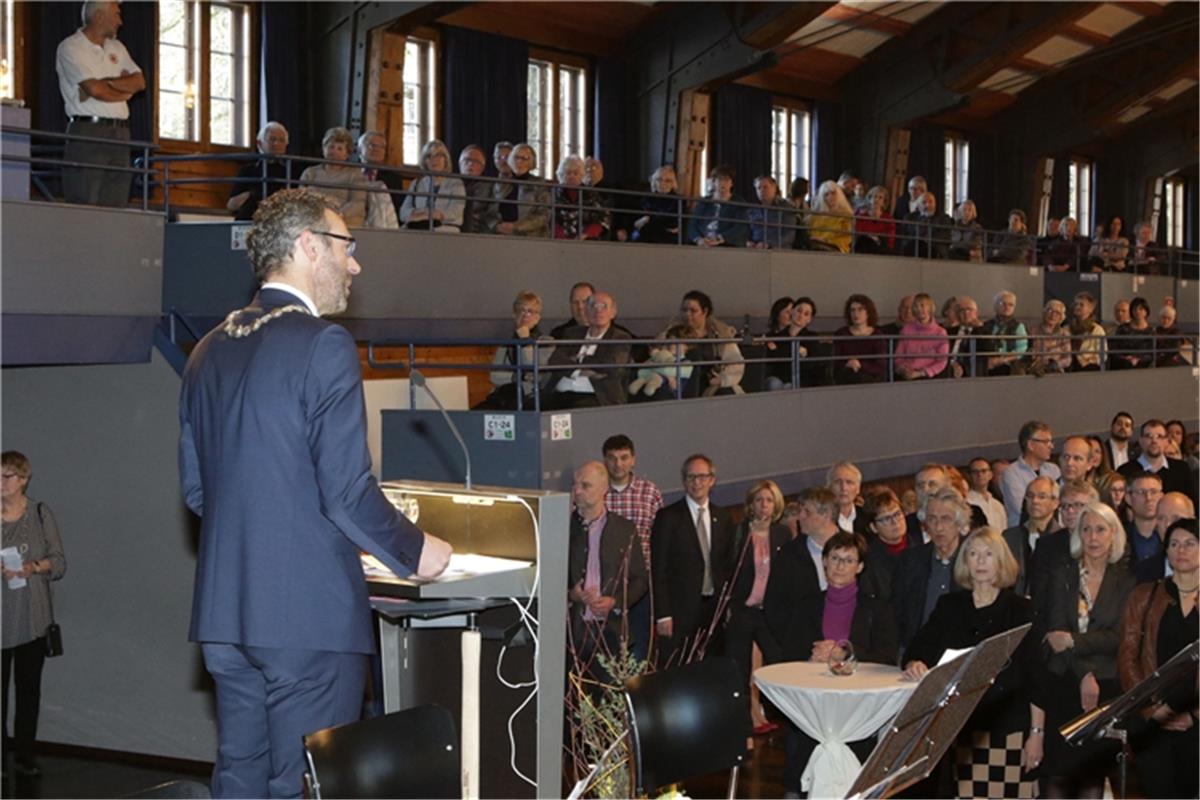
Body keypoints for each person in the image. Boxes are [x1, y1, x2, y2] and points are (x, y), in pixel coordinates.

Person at [178, 188, 453, 798]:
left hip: (226, 617)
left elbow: (199, 493)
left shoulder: (206, 350)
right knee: (305, 786)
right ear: (308, 246)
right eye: (346, 246)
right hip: (308, 619)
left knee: (241, 779)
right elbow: (346, 492)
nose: (354, 264)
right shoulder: (322, 344)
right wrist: (417, 551)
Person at [903, 528, 1043, 799]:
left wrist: (1036, 733)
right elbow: (918, 648)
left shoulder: (1020, 610)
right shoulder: (949, 606)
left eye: (988, 554)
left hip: (1006, 729)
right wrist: (915, 662)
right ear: (964, 561)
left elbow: (1035, 678)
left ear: (1001, 561)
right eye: (973, 554)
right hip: (953, 730)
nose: (980, 561)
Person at [783, 531, 897, 799]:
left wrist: (845, 653)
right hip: (813, 702)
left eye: (847, 560)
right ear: (824, 561)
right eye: (834, 558)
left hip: (857, 708)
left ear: (860, 567)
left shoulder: (878, 609)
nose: (839, 566)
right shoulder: (807, 605)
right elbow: (788, 654)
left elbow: (888, 658)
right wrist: (810, 659)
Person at [1038, 501, 1134, 798]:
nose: (1093, 537)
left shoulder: (1126, 581)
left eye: (1101, 530)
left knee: (1093, 778)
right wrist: (1083, 674)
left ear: (1113, 535)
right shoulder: (1062, 574)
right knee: (1058, 778)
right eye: (1087, 529)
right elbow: (1055, 637)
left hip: (1106, 689)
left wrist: (1077, 641)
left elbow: (1119, 637)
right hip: (1065, 682)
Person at [1117, 519, 1198, 800]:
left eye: (1190, 543)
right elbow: (1128, 656)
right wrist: (1151, 709)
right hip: (1151, 720)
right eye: (1174, 544)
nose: (1181, 550)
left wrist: (1193, 715)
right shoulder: (1144, 594)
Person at [1, 451, 66, 779]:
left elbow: (59, 562)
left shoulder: (40, 513)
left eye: (6, 476)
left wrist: (32, 568)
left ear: (23, 480)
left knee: (28, 690)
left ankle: (24, 756)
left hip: (31, 618)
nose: (0, 483)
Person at [55, 0, 146, 207]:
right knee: (85, 202)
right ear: (99, 16)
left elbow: (139, 82)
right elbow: (94, 90)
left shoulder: (118, 47)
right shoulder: (71, 47)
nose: (120, 21)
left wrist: (107, 83)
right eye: (116, 14)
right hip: (88, 132)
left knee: (116, 204)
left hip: (121, 135)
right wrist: (122, 90)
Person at [651, 454, 736, 667]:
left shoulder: (723, 517)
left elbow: (728, 565)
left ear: (712, 480)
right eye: (691, 477)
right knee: (677, 670)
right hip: (678, 613)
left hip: (713, 610)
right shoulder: (668, 517)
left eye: (702, 477)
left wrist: (727, 606)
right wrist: (662, 615)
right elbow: (658, 569)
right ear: (684, 481)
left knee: (710, 669)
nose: (696, 483)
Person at [567, 461, 647, 680]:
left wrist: (616, 602)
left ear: (604, 489)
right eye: (575, 486)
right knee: (572, 701)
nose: (577, 491)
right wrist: (572, 593)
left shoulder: (624, 530)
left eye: (585, 485)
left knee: (609, 701)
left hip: (611, 632)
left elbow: (640, 580)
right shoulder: (563, 528)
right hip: (572, 632)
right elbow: (547, 579)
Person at [724, 480, 789, 733]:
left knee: (778, 661)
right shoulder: (738, 532)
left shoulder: (783, 533)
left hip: (770, 612)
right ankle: (743, 729)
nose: (764, 505)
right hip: (742, 610)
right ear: (751, 504)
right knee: (739, 670)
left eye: (769, 500)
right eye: (759, 500)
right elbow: (726, 570)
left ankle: (782, 718)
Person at [895, 487, 971, 653]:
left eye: (946, 519)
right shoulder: (910, 560)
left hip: (960, 651)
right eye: (932, 519)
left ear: (959, 523)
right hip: (917, 652)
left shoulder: (973, 561)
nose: (938, 527)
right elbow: (899, 613)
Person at [544, 291, 632, 408]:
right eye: (593, 306)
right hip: (560, 393)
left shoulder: (620, 337)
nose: (598, 310)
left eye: (603, 306)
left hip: (597, 396)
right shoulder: (572, 333)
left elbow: (612, 365)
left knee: (575, 409)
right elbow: (555, 361)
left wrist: (579, 359)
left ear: (613, 312)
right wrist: (579, 371)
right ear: (586, 311)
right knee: (526, 406)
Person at [476, 290, 552, 410]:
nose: (525, 315)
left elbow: (535, 372)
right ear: (514, 315)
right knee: (478, 412)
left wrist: (525, 340)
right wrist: (516, 377)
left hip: (530, 397)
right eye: (521, 310)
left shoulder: (546, 342)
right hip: (505, 395)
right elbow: (494, 375)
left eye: (530, 312)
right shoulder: (506, 344)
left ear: (537, 318)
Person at [668, 290, 745, 396]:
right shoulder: (673, 333)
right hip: (682, 385)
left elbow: (736, 363)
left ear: (705, 311)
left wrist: (722, 380)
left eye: (693, 311)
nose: (687, 314)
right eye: (684, 310)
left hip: (710, 385)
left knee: (726, 394)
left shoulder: (720, 334)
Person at [300, 127, 369, 227]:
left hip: (345, 222)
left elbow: (358, 204)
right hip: (314, 220)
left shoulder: (355, 174)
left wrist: (335, 216)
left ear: (347, 154)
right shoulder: (310, 172)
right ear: (324, 149)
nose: (334, 152)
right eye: (331, 147)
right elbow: (301, 198)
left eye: (340, 149)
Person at [1001, 420, 1061, 527]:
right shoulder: (1012, 473)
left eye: (1051, 442)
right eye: (1046, 442)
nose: (1051, 446)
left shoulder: (1054, 470)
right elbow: (1022, 507)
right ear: (1031, 445)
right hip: (1022, 532)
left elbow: (1059, 501)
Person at [398, 139, 464, 232]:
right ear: (425, 161)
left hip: (445, 228)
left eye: (438, 155)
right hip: (419, 226)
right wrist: (424, 214)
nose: (434, 159)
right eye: (429, 156)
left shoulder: (456, 183)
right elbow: (403, 212)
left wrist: (436, 215)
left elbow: (456, 211)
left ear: (445, 159)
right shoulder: (416, 183)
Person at [228, 122, 290, 221]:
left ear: (286, 146)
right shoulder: (248, 170)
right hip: (250, 220)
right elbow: (232, 205)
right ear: (260, 143)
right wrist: (252, 194)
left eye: (282, 140)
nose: (276, 144)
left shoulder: (290, 172)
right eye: (272, 139)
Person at [1119, 419, 1194, 499]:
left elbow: (1193, 503)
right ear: (1141, 441)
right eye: (1149, 436)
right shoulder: (1125, 471)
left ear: (1166, 441)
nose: (1154, 441)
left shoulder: (1182, 468)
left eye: (1159, 436)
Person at [496, 143, 551, 237]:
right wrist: (497, 226)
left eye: (525, 158)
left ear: (531, 162)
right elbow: (491, 209)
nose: (519, 161)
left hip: (530, 236)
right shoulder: (501, 183)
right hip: (501, 234)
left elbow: (544, 214)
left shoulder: (539, 184)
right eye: (516, 157)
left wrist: (517, 226)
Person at [833, 294, 888, 384]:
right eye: (852, 310)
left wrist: (860, 364)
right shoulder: (841, 334)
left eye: (860, 309)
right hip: (846, 377)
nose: (856, 313)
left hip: (870, 379)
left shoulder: (878, 335)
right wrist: (848, 363)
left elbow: (880, 366)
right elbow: (834, 362)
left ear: (868, 313)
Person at [892, 292, 948, 380]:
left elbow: (942, 362)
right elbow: (899, 356)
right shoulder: (906, 329)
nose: (919, 309)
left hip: (929, 376)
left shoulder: (940, 332)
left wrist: (921, 373)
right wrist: (903, 369)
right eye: (916, 306)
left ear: (930, 308)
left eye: (922, 305)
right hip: (907, 374)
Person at [688, 165, 747, 247]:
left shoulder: (739, 202)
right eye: (719, 180)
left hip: (727, 245)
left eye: (726, 180)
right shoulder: (704, 202)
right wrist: (698, 239)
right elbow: (692, 224)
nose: (722, 183)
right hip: (703, 244)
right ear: (713, 181)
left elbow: (741, 227)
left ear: (731, 183)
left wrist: (720, 238)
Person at [552, 155, 607, 240]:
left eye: (575, 173)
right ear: (562, 175)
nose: (572, 176)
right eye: (568, 173)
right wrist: (563, 238)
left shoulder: (591, 194)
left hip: (587, 241)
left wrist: (586, 234)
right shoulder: (554, 193)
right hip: (559, 241)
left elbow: (602, 219)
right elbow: (550, 219)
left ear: (582, 175)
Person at [356, 130, 405, 224]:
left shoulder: (393, 178)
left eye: (382, 147)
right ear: (359, 148)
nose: (377, 150)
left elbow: (396, 208)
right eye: (372, 145)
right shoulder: (350, 172)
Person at [977, 290, 1028, 376]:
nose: (1007, 307)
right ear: (995, 306)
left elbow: (1021, 350)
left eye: (1010, 305)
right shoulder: (986, 325)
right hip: (988, 365)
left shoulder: (1019, 326)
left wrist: (1002, 360)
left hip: (1009, 365)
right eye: (1003, 303)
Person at [631, 165, 683, 244]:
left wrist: (647, 219)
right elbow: (635, 219)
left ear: (673, 183)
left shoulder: (678, 200)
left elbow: (671, 223)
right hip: (642, 236)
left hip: (665, 238)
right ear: (654, 181)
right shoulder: (646, 197)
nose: (663, 183)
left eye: (667, 180)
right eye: (659, 179)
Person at [457, 144, 499, 234]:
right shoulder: (451, 183)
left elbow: (493, 214)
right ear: (460, 163)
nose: (471, 164)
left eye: (476, 161)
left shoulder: (490, 187)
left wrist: (480, 217)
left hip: (479, 232)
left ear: (483, 167)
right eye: (467, 160)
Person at [746, 175, 793, 249]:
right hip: (754, 249)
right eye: (758, 188)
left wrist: (769, 245)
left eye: (765, 187)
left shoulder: (786, 208)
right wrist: (747, 242)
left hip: (779, 250)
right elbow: (746, 232)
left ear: (774, 188)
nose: (761, 190)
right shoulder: (752, 211)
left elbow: (789, 235)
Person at [807, 180, 854, 253]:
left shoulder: (846, 215)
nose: (830, 197)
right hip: (817, 246)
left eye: (833, 193)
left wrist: (826, 241)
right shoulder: (816, 216)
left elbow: (846, 238)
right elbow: (812, 234)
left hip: (837, 248)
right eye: (826, 194)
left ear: (838, 195)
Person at [902, 191, 951, 259]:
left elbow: (945, 235)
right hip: (914, 248)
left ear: (935, 204)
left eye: (930, 202)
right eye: (924, 202)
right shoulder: (910, 217)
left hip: (934, 248)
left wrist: (926, 239)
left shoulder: (944, 218)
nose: (927, 205)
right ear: (918, 205)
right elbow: (905, 234)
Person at [1028, 299, 1071, 374]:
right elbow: (1028, 352)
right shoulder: (1032, 330)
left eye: (1057, 313)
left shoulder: (1064, 333)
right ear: (1044, 312)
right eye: (1050, 310)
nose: (1053, 315)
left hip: (1055, 370)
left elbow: (1068, 359)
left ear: (1061, 317)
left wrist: (1056, 364)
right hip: (1036, 370)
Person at [1065, 292, 1106, 371]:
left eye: (1081, 305)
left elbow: (1102, 355)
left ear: (1090, 309)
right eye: (1076, 304)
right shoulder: (1067, 328)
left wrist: (1087, 361)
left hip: (1089, 366)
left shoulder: (1097, 329)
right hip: (1069, 364)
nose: (1077, 307)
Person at [1110, 296, 1154, 369]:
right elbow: (1115, 349)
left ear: (1146, 312)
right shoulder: (1123, 329)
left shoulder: (1151, 331)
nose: (1137, 311)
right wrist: (1126, 358)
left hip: (1143, 365)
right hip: (1123, 363)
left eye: (1140, 309)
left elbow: (1151, 354)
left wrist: (1138, 359)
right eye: (1135, 309)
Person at [966, 457, 1007, 532]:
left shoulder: (997, 505)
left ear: (990, 475)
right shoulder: (967, 502)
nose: (979, 474)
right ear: (969, 476)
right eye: (975, 472)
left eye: (983, 471)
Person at [853, 185, 895, 254]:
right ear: (869, 199)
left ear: (884, 202)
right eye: (874, 196)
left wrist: (877, 239)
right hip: (864, 249)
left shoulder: (888, 219)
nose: (876, 200)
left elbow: (890, 240)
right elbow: (858, 235)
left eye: (880, 198)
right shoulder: (862, 216)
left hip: (881, 249)